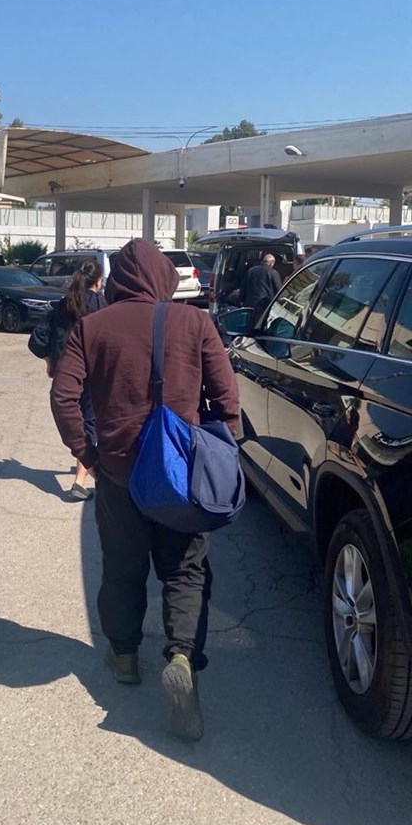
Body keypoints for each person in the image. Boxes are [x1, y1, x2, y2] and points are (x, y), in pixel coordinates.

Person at [50, 239, 239, 740]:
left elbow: (63, 394)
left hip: (117, 474)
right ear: (163, 277)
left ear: (116, 280)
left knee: (122, 567)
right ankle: (181, 656)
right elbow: (224, 394)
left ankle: (126, 656)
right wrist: (225, 443)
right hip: (180, 476)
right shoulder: (194, 322)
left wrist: (86, 452)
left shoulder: (91, 326)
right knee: (185, 570)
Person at [32, 259, 106, 501]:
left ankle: (84, 466)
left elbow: (37, 340)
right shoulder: (102, 305)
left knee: (76, 421)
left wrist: (50, 361)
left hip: (66, 375)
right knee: (89, 422)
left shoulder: (63, 305)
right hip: (93, 374)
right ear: (98, 281)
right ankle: (81, 480)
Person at [240, 252, 282, 320]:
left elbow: (243, 287)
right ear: (272, 263)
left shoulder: (251, 270)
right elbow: (279, 290)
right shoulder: (274, 273)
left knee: (249, 322)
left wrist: (241, 299)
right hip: (265, 304)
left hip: (250, 303)